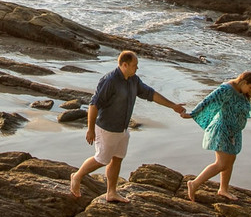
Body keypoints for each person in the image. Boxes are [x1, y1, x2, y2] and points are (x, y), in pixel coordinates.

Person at [69, 50, 186, 203]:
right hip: (106, 128)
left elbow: (151, 94)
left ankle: (111, 192)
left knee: (117, 159)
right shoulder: (109, 81)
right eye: (134, 65)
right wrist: (90, 129)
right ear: (124, 65)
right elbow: (93, 105)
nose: (136, 68)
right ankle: (77, 176)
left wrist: (173, 106)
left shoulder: (133, 80)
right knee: (101, 159)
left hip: (122, 129)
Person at [183, 71, 251, 202]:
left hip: (233, 132)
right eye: (250, 87)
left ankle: (223, 189)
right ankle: (194, 183)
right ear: (242, 82)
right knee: (221, 163)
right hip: (222, 130)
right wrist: (192, 114)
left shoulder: (241, 91)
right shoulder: (226, 90)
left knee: (230, 160)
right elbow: (208, 100)